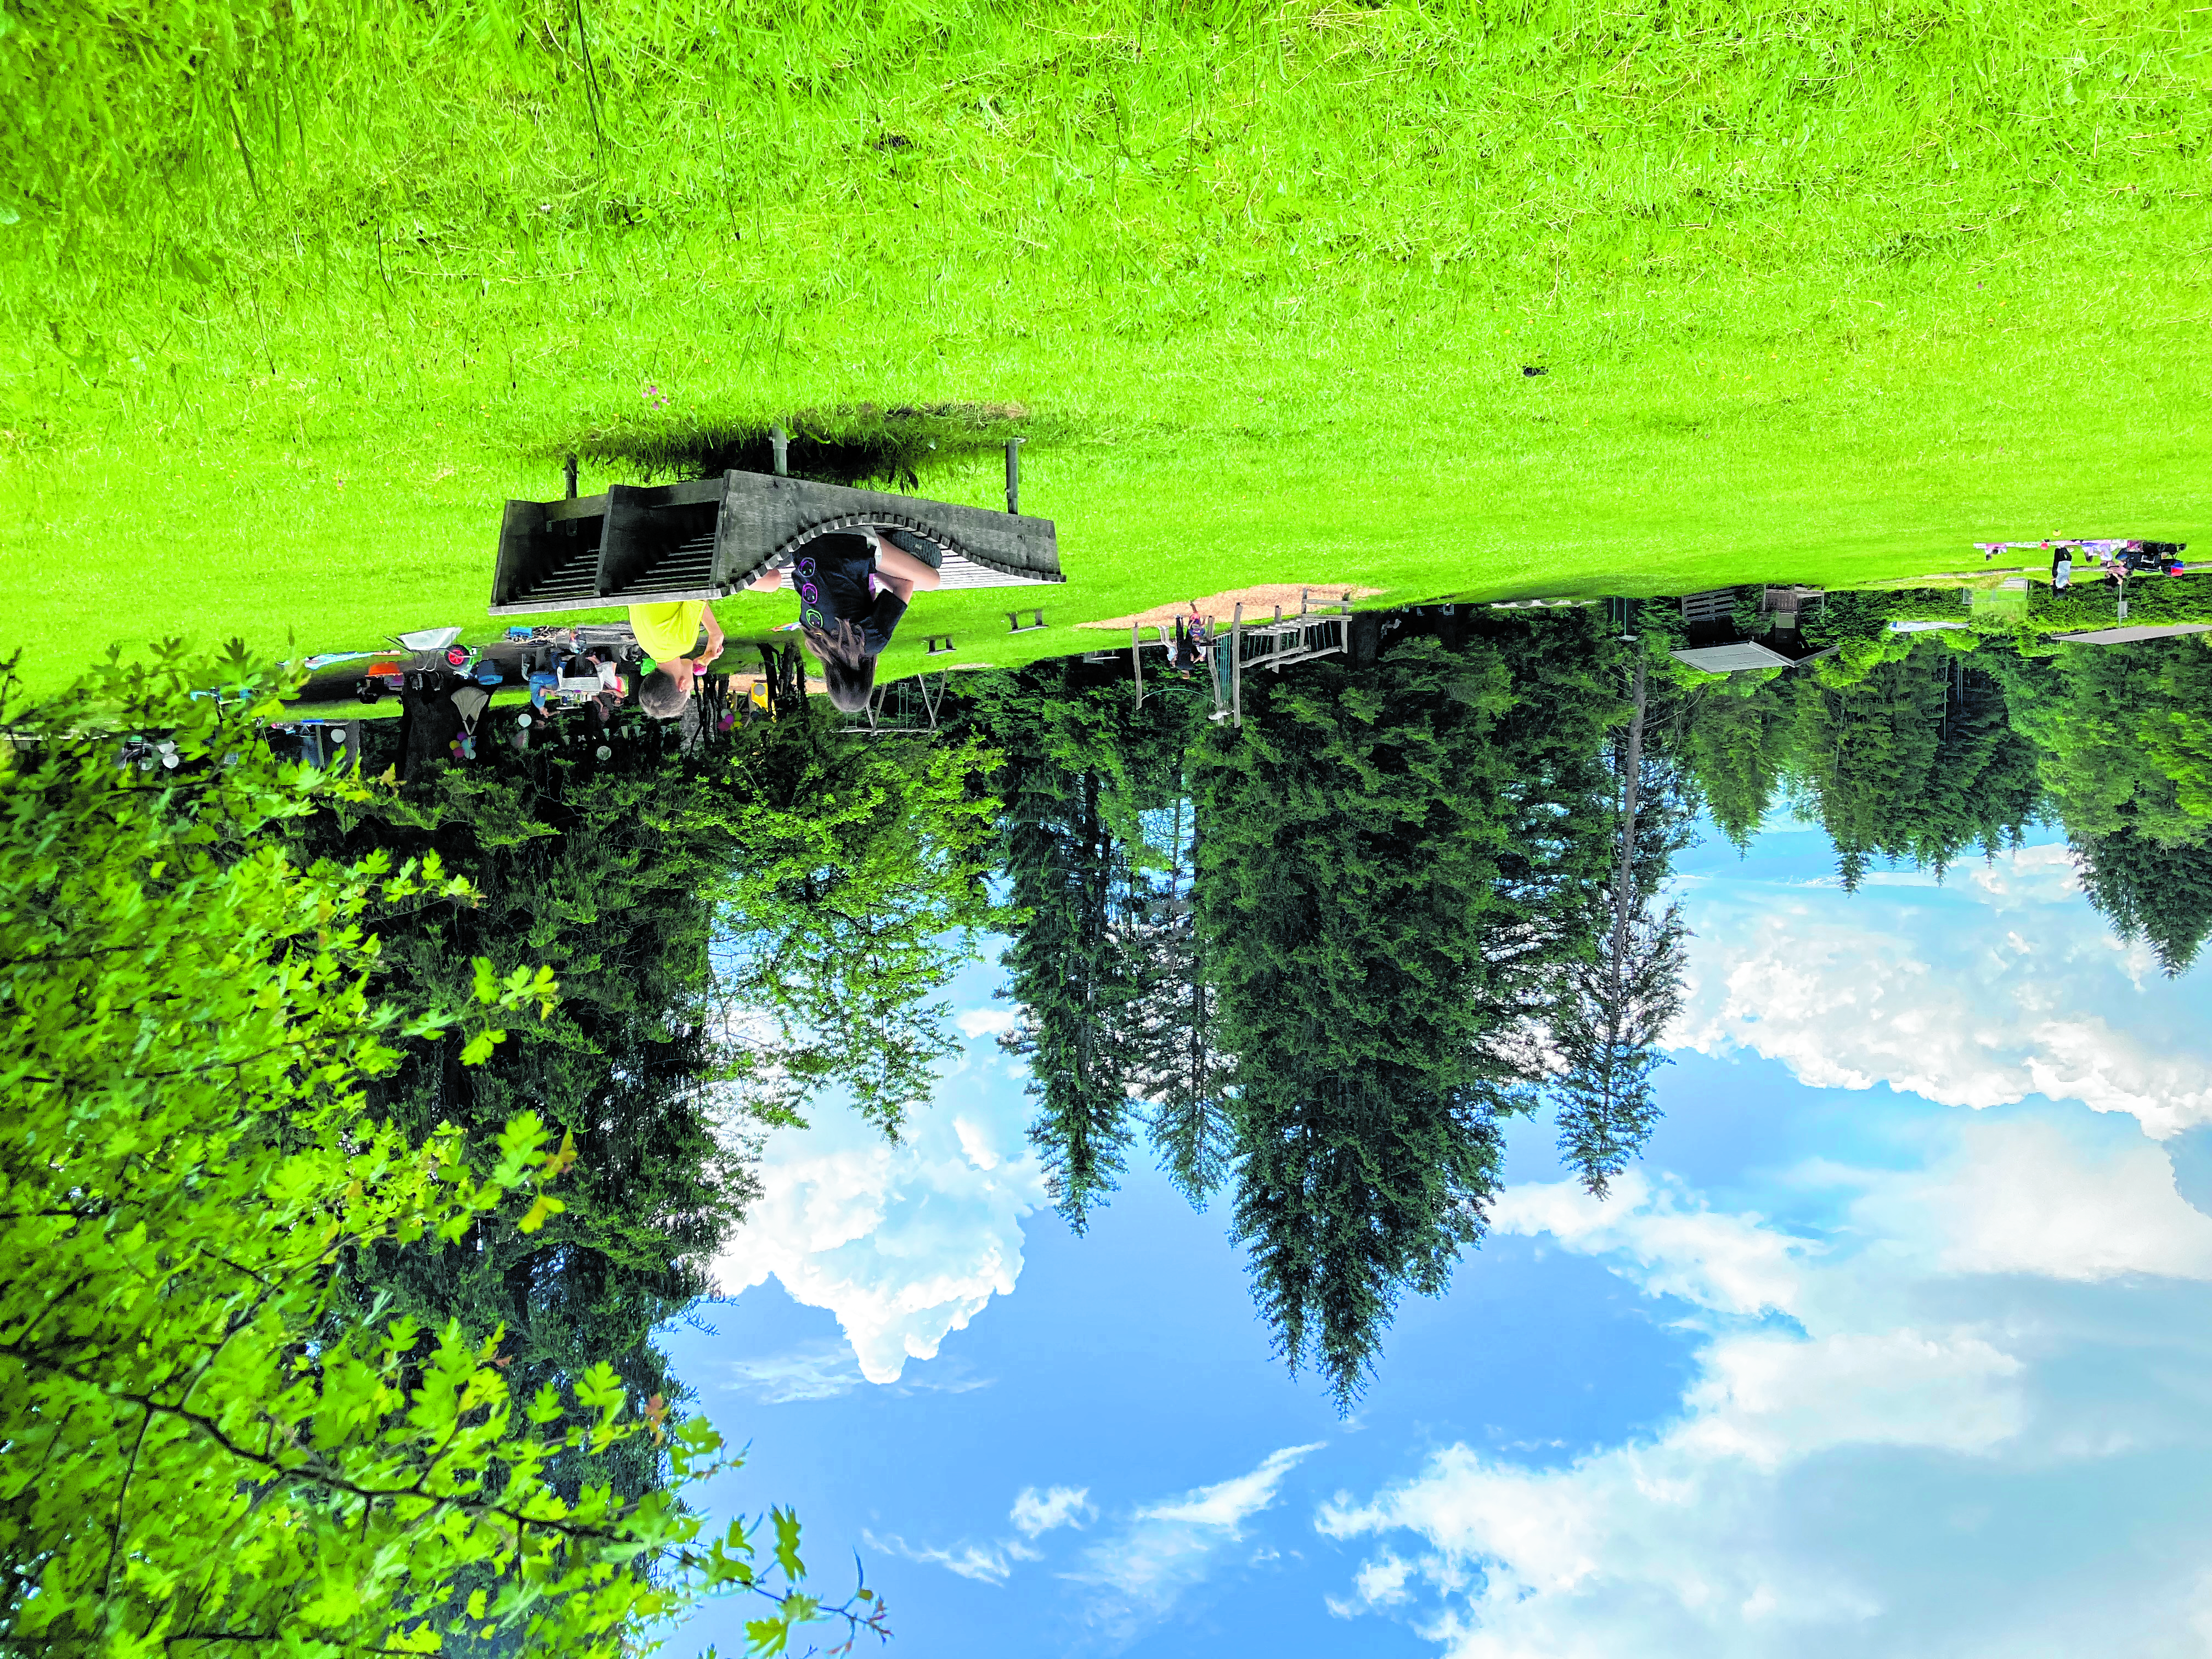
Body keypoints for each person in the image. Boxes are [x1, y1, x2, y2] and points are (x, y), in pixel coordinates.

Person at [747, 527, 940, 712]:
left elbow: (904, 587)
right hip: (805, 544)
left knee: (932, 581)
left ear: (867, 679)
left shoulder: (871, 643)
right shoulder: (816, 640)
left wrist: (873, 567)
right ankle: (882, 560)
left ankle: (892, 553)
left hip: (852, 540)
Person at [629, 599, 725, 720]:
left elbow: (697, 594)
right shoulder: (646, 645)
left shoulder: (683, 644)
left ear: (682, 684)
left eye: (689, 690)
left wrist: (715, 632)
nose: (692, 686)